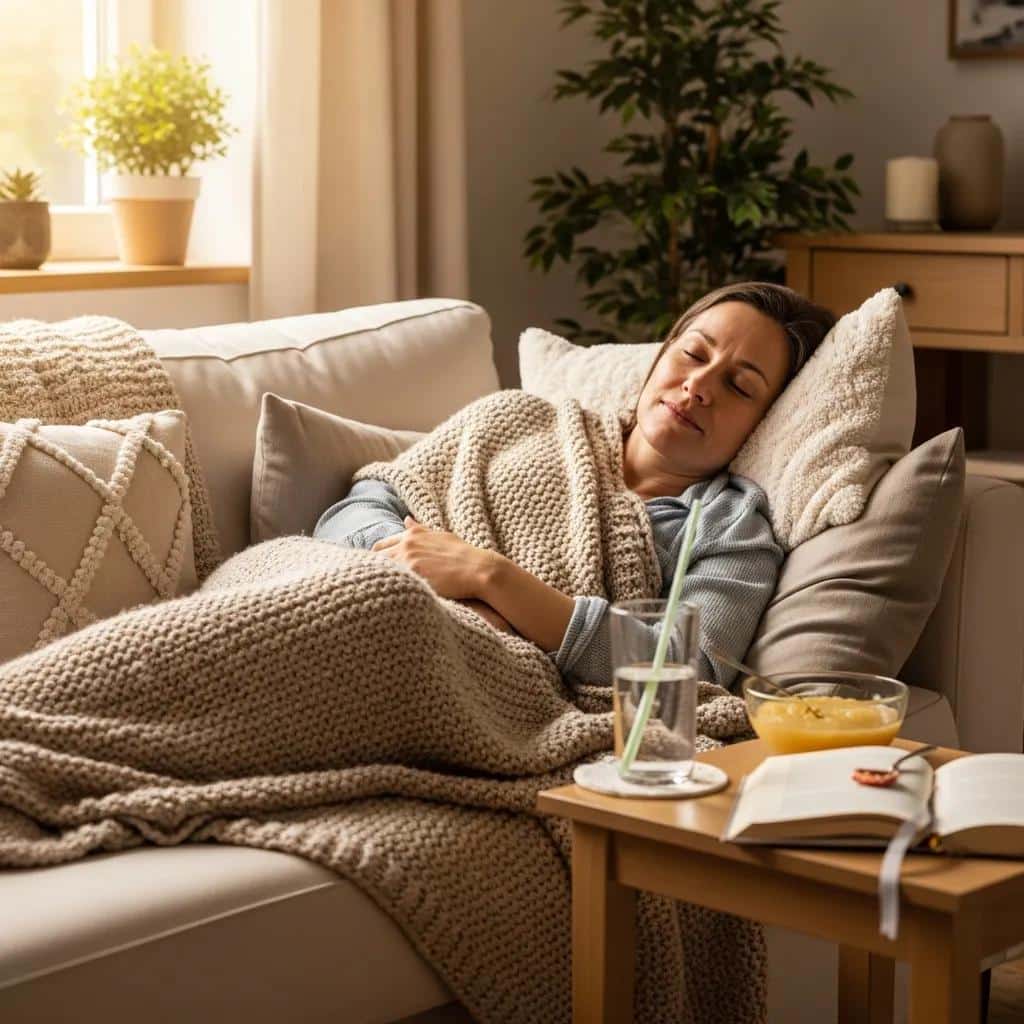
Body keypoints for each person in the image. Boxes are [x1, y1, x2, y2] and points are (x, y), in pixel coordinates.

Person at [313, 282, 837, 688]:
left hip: (484, 685)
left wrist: (492, 579)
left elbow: (687, 667)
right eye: (694, 355)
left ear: (767, 421)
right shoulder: (514, 418)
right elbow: (356, 510)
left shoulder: (732, 532)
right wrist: (417, 569)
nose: (698, 386)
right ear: (663, 353)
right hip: (371, 604)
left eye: (740, 386)